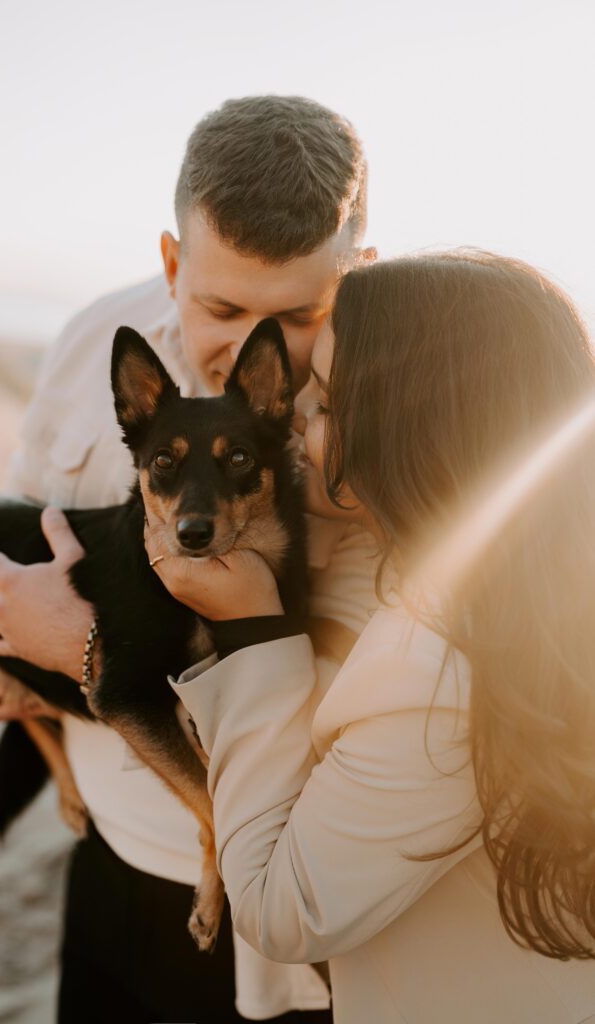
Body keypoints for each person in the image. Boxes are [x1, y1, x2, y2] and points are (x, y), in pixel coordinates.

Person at [0, 95, 376, 1022]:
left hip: (259, 897)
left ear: (356, 275)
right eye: (220, 305)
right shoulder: (100, 337)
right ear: (172, 263)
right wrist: (2, 655)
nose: (250, 348)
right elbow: (28, 519)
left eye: (299, 313)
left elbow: (345, 707)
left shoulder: (382, 424)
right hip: (103, 852)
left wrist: (78, 651)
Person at [143, 251, 595, 1024]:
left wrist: (250, 630)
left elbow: (281, 909)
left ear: (409, 429)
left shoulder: (434, 670)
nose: (296, 424)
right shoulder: (542, 587)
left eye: (322, 401)